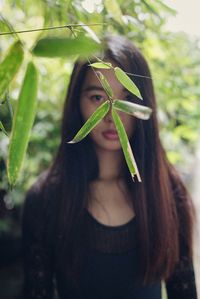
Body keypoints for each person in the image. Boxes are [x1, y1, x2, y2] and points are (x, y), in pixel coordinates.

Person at [22, 35, 197, 299]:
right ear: (76, 103)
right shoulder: (45, 198)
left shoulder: (170, 194)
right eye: (96, 97)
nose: (110, 115)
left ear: (144, 107)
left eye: (126, 100)